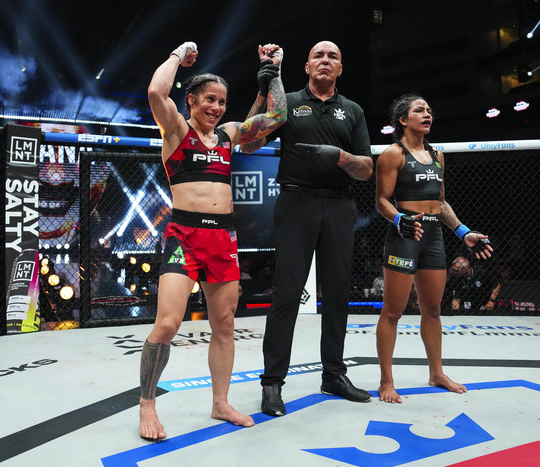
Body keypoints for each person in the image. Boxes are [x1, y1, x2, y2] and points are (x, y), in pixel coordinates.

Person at [138, 41, 287, 441]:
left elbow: (277, 116)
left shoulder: (228, 135)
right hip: (184, 235)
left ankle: (221, 403)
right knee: (168, 324)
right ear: (191, 100)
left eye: (221, 101)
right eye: (209, 99)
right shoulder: (176, 129)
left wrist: (274, 69)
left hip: (222, 237)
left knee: (224, 324)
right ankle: (147, 403)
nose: (217, 107)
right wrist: (178, 53)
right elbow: (155, 91)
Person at [241, 40, 374, 416]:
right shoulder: (287, 103)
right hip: (297, 203)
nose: (325, 60)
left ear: (341, 68)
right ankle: (272, 383)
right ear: (306, 66)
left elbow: (366, 169)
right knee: (286, 294)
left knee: (337, 295)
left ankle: (333, 375)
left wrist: (341, 156)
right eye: (319, 55)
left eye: (333, 56)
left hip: (339, 205)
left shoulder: (353, 111)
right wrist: (264, 90)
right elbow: (248, 143)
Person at [374, 93, 493, 404]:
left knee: (433, 309)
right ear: (403, 120)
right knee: (393, 312)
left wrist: (463, 231)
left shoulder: (438, 155)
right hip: (405, 235)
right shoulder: (392, 155)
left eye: (429, 110)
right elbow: (382, 201)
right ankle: (386, 381)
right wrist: (399, 219)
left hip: (434, 236)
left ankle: (437, 373)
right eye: (419, 110)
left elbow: (441, 202)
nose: (427, 114)